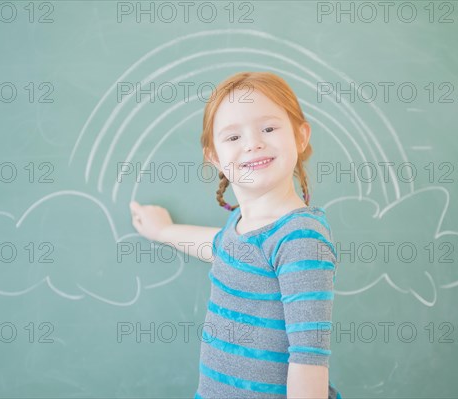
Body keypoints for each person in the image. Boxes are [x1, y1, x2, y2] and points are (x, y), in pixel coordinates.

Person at [130, 72, 340, 399]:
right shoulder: (242, 224)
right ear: (214, 157)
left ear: (301, 137)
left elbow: (309, 356)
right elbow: (219, 248)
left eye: (268, 129)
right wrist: (164, 230)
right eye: (232, 138)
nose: (253, 143)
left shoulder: (300, 237)